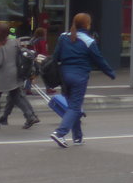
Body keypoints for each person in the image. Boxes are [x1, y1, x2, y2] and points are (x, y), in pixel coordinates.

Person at [49, 13, 116, 148]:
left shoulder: (63, 37)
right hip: (79, 77)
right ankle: (60, 133)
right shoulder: (89, 41)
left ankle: (78, 138)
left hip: (64, 76)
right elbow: (99, 59)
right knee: (75, 107)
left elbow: (55, 56)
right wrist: (110, 73)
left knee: (73, 107)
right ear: (87, 25)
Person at [0, 21, 40, 129]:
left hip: (1, 75)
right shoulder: (14, 42)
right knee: (16, 97)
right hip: (14, 73)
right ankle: (29, 116)